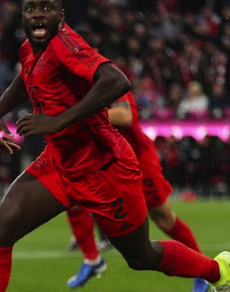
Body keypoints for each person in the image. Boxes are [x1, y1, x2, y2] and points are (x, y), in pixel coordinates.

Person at [0, 0, 230, 292]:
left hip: (103, 168)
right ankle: (91, 257)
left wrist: (58, 121)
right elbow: (26, 77)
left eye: (46, 8)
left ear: (61, 15)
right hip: (60, 164)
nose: (37, 15)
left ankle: (219, 270)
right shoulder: (30, 49)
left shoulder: (66, 44)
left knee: (142, 256)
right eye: (30, 9)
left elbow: (117, 81)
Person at [65, 91, 209, 292]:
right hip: (105, 159)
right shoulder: (72, 82)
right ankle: (92, 259)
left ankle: (204, 271)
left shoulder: (102, 73)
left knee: (163, 218)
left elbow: (125, 116)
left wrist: (75, 114)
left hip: (137, 158)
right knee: (71, 198)